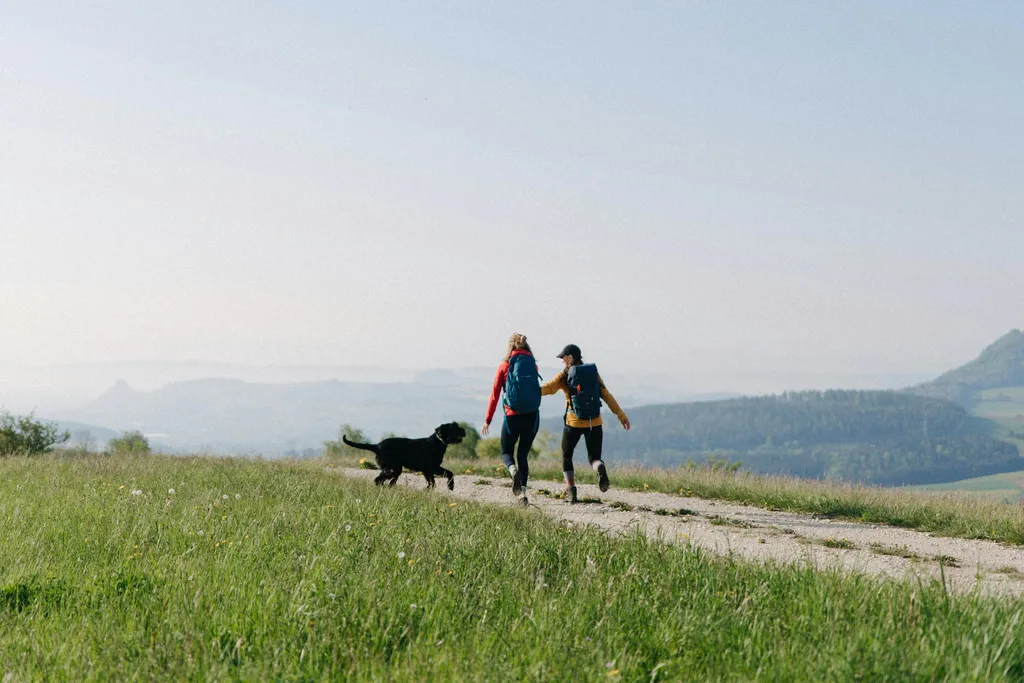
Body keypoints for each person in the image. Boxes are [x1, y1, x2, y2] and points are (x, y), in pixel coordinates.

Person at [541, 343, 630, 504]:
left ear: (571, 357)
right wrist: (621, 415)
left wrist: (529, 391)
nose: (562, 361)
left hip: (573, 423)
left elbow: (549, 388)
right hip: (594, 423)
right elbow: (606, 395)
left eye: (563, 357)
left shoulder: (565, 375)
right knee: (594, 458)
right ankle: (600, 468)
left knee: (567, 456)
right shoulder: (593, 374)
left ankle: (571, 491)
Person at [483, 333, 542, 507]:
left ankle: (512, 470)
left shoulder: (504, 366)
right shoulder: (533, 366)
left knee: (506, 452)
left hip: (512, 417)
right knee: (522, 454)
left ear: (510, 347)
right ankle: (522, 495)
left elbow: (494, 395)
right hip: (531, 416)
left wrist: (488, 419)